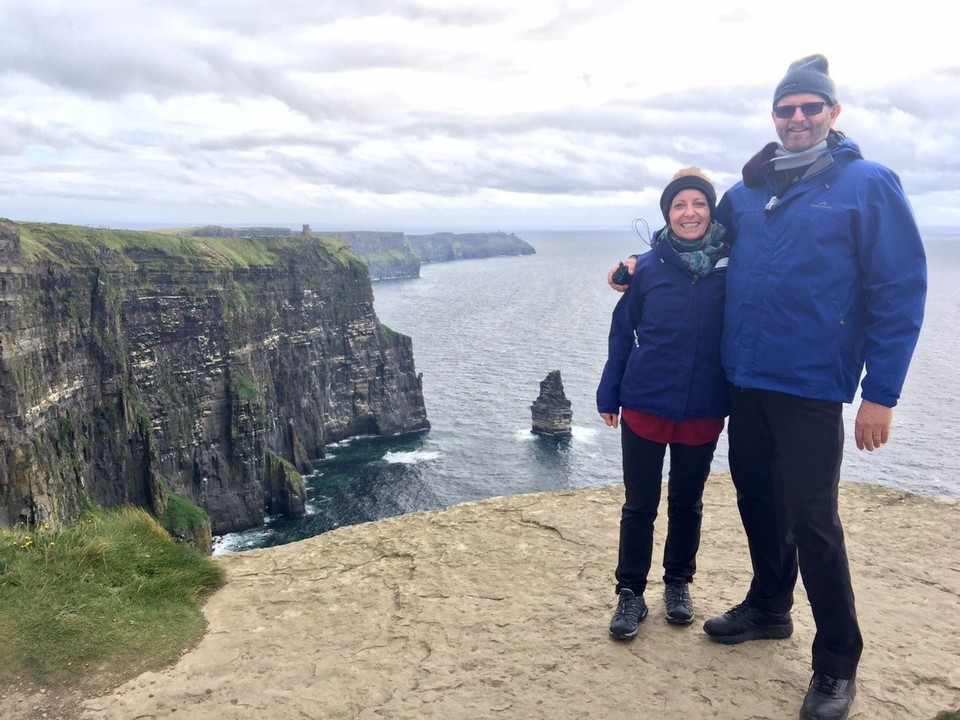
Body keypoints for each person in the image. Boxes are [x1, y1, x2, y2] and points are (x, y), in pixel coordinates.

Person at [607, 55, 926, 720]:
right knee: (757, 501)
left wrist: (882, 393)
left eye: (812, 107)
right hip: (742, 381)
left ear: (833, 114)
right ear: (774, 117)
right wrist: (637, 262)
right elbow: (691, 239)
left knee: (813, 520)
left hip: (810, 386)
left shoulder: (867, 184)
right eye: (788, 108)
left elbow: (897, 290)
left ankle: (837, 662)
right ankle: (770, 606)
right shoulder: (748, 192)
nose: (800, 118)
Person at [597, 167, 730, 642]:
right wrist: (608, 391)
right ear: (667, 214)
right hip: (646, 401)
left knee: (687, 503)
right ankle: (630, 592)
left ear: (711, 210)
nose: (689, 212)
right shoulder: (648, 267)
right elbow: (622, 332)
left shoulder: (733, 264)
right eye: (679, 205)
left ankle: (677, 584)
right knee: (639, 504)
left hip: (704, 405)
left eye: (698, 203)